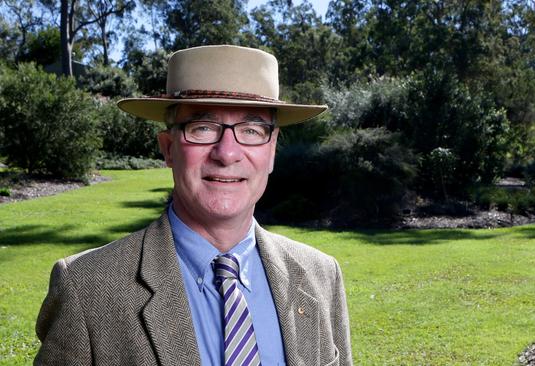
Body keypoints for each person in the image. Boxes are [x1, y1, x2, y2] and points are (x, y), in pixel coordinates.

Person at [34, 45, 352, 366]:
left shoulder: (321, 275)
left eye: (251, 130)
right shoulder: (87, 289)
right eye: (202, 128)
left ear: (271, 150)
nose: (227, 154)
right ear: (168, 148)